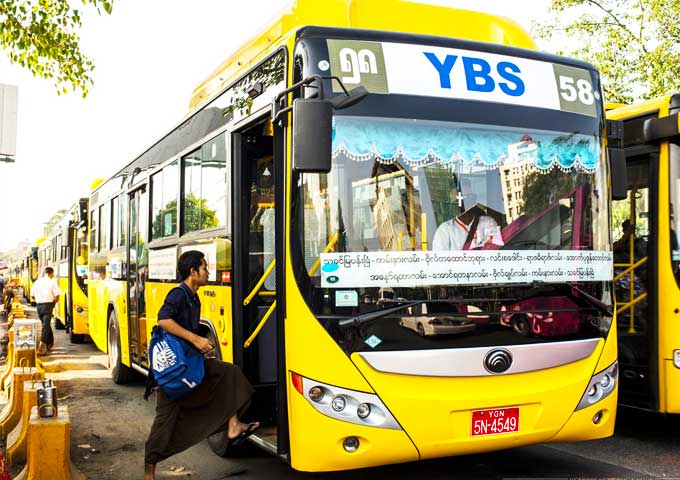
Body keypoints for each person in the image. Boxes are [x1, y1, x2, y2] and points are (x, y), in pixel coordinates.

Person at [144, 250, 259, 480]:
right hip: (173, 371)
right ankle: (149, 471)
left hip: (191, 364)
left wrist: (201, 347)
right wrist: (196, 339)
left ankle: (233, 424)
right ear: (193, 271)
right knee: (164, 421)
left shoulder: (194, 297)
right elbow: (163, 320)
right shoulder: (178, 294)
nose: (208, 271)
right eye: (205, 268)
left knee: (229, 373)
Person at [30, 267, 61, 355]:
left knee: (45, 325)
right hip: (48, 305)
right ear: (51, 273)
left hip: (39, 306)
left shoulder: (37, 282)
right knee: (45, 326)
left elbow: (32, 295)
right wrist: (52, 304)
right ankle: (41, 347)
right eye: (53, 274)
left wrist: (39, 300)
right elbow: (57, 296)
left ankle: (49, 343)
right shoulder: (52, 282)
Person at [433, 214, 504, 250]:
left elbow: (497, 246)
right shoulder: (445, 229)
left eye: (471, 197)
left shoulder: (487, 222)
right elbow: (440, 263)